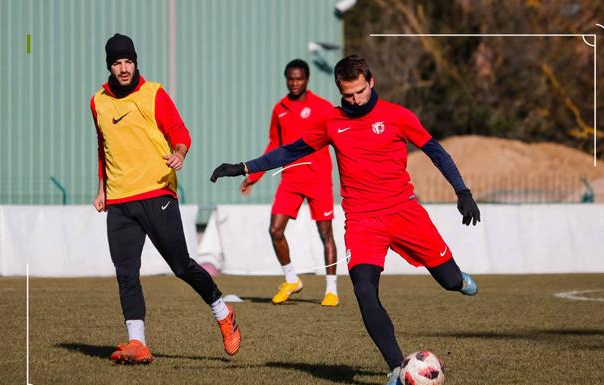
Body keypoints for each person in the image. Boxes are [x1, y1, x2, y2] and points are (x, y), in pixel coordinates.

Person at [210, 55, 480, 385]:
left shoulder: (398, 116)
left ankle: (458, 280)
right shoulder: (331, 122)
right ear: (340, 88)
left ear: (372, 81)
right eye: (348, 95)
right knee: (365, 291)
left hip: (404, 213)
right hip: (362, 221)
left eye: (360, 92)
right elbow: (290, 151)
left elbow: (435, 150)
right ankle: (396, 366)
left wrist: (462, 191)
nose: (355, 101)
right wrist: (245, 167)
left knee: (450, 281)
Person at [91, 34, 240, 364]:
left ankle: (222, 311)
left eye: (128, 61)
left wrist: (179, 152)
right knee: (126, 272)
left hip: (157, 191)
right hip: (119, 201)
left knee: (181, 265)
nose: (124, 68)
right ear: (109, 66)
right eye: (117, 63)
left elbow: (180, 132)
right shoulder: (97, 102)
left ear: (135, 61)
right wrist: (102, 187)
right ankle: (137, 343)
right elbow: (103, 148)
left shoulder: (153, 93)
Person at [240, 59, 339, 306]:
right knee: (275, 230)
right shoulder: (279, 109)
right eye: (291, 79)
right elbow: (274, 145)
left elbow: (337, 139)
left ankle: (332, 290)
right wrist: (254, 176)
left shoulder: (324, 107)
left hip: (318, 179)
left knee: (325, 233)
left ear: (307, 80)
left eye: (299, 78)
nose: (295, 83)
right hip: (290, 179)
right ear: (286, 79)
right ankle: (291, 278)